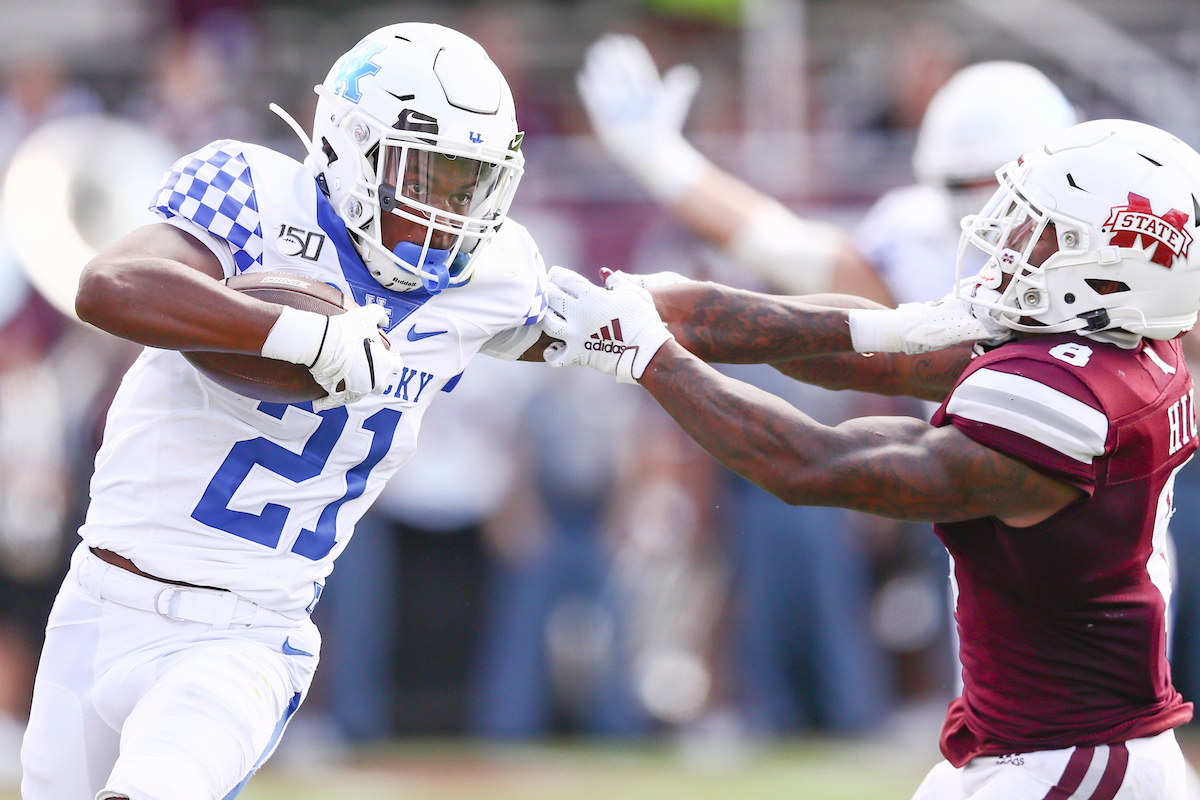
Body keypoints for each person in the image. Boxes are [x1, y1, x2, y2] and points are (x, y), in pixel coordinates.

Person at [543, 117, 1200, 798]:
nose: (1008, 239)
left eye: (1044, 230)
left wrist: (650, 357)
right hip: (1051, 748)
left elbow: (813, 464)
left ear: (1113, 264)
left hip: (1075, 764)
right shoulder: (1117, 346)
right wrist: (676, 307)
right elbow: (870, 354)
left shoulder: (1073, 399)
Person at [20, 22, 557, 800]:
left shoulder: (496, 276)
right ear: (350, 145)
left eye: (464, 183)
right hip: (99, 599)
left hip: (244, 634)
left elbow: (632, 325)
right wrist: (300, 334)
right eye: (426, 174)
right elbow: (109, 285)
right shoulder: (252, 191)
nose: (446, 210)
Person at [576, 34, 1079, 306]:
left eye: (1000, 184)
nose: (987, 204)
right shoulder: (918, 241)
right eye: (968, 184)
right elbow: (780, 244)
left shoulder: (1120, 236)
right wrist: (661, 160)